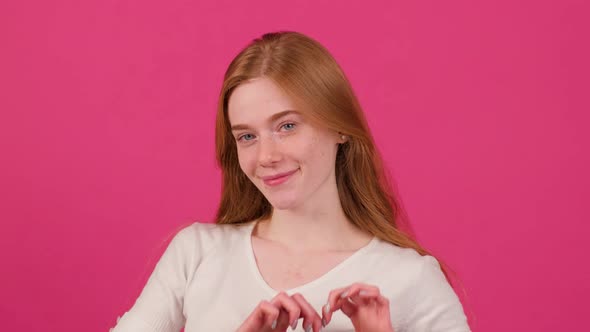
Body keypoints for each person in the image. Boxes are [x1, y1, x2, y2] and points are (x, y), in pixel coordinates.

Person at [111, 31, 471, 332]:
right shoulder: (196, 254)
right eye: (247, 137)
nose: (266, 156)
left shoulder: (411, 278)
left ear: (340, 127)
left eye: (287, 126)